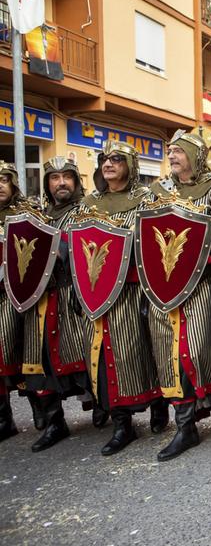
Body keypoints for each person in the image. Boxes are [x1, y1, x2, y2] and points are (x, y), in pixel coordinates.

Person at [147, 129, 211, 461]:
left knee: (201, 347)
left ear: (195, 156)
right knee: (168, 354)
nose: (172, 155)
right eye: (169, 151)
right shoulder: (157, 191)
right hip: (161, 284)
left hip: (202, 280)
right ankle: (185, 427)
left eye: (178, 151)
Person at [78, 142, 163, 455]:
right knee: (104, 357)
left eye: (116, 159)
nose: (109, 164)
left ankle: (158, 404)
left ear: (130, 164)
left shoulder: (145, 198)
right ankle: (121, 423)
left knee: (141, 350)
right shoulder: (88, 202)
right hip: (96, 292)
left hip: (133, 288)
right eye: (105, 159)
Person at [20, 157, 93, 452]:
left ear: (76, 181)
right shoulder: (37, 216)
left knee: (87, 358)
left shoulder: (87, 211)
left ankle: (110, 413)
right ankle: (54, 422)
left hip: (71, 296)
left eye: (66, 176)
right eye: (54, 177)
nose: (60, 182)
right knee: (39, 361)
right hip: (39, 299)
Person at [0, 163, 27, 442]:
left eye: (4, 180)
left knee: (21, 353)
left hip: (17, 295)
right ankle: (3, 417)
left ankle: (44, 411)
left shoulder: (25, 216)